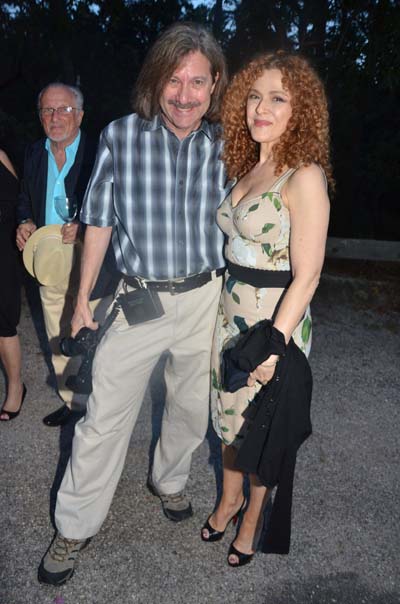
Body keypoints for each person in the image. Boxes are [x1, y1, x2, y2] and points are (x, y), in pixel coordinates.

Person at [38, 22, 231, 585]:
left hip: (205, 298)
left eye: (199, 81)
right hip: (139, 299)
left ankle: (169, 481)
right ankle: (74, 525)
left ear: (215, 84)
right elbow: (97, 220)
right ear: (157, 80)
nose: (186, 94)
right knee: (102, 418)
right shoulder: (121, 136)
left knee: (192, 409)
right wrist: (79, 301)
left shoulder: (228, 143)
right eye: (175, 79)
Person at [201, 51, 332, 567]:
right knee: (228, 417)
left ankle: (250, 520)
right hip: (229, 314)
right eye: (254, 96)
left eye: (277, 97)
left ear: (301, 109)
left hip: (271, 323)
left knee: (259, 426)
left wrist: (273, 346)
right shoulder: (251, 165)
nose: (261, 107)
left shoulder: (305, 177)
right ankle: (228, 499)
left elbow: (309, 275)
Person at [16, 83, 115, 427]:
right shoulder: (33, 153)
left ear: (80, 115)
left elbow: (116, 206)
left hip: (91, 259)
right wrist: (24, 220)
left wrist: (87, 227)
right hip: (49, 260)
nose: (55, 117)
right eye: (47, 110)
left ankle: (100, 406)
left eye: (64, 110)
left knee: (92, 332)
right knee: (57, 330)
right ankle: (73, 403)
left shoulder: (98, 152)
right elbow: (24, 197)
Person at [0, 150, 25, 421]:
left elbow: (20, 199)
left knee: (4, 321)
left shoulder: (1, 155)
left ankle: (16, 386)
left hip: (3, 247)